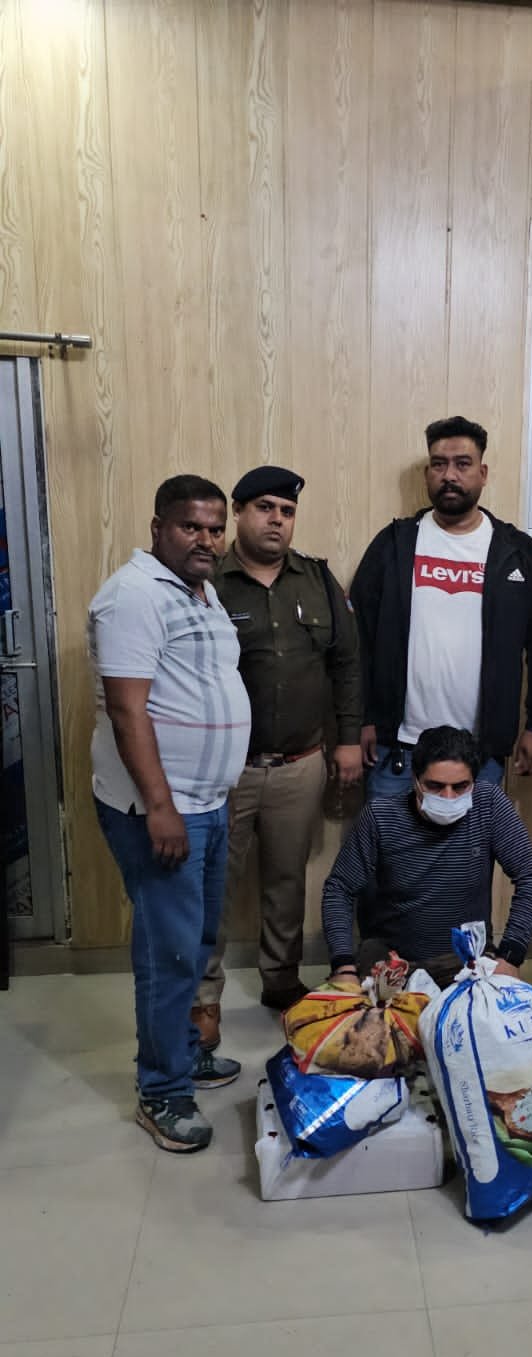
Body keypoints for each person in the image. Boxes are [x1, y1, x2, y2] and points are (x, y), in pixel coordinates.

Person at [88, 475, 252, 1154]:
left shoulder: (201, 591)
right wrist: (161, 807)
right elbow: (128, 711)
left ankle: (182, 1051)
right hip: (159, 807)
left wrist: (210, 792)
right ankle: (161, 1091)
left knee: (197, 940)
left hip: (204, 802)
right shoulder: (133, 596)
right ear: (158, 528)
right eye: (191, 527)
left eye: (215, 528)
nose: (206, 539)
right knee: (170, 952)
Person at [190, 466, 362, 1047]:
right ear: (238, 512)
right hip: (225, 767)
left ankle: (282, 981)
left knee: (287, 881)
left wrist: (347, 739)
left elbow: (346, 664)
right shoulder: (208, 580)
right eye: (264, 508)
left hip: (300, 763)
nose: (276, 520)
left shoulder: (316, 580)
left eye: (286, 512)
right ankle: (203, 998)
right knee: (213, 885)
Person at [349, 416, 532, 798]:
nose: (449, 475)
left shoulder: (516, 552)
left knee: (472, 841)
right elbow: (358, 638)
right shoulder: (393, 544)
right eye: (439, 464)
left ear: (483, 473)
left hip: (480, 753)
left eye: (462, 464)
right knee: (388, 839)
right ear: (427, 473)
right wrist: (362, 720)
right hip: (397, 748)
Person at [322, 725, 532, 988]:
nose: (448, 797)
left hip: (466, 958)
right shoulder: (381, 816)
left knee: (501, 1013)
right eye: (435, 786)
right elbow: (339, 888)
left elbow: (531, 876)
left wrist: (510, 956)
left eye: (460, 786)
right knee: (365, 1014)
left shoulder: (489, 803)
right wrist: (343, 966)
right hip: (392, 958)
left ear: (474, 782)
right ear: (415, 779)